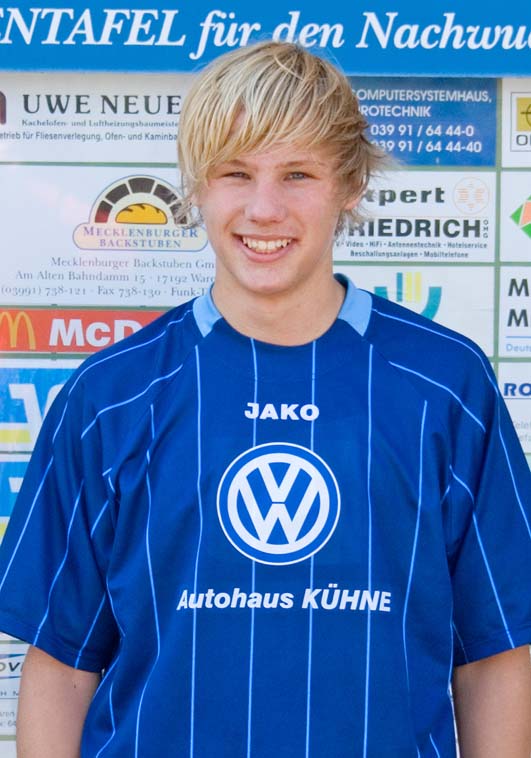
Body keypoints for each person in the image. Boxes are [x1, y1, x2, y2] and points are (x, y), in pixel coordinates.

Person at [0, 41, 530, 758]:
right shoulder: (111, 396)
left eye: (297, 174)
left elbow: (495, 652)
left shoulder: (445, 385)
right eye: (236, 173)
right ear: (197, 186)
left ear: (349, 184)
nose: (264, 208)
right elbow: (63, 663)